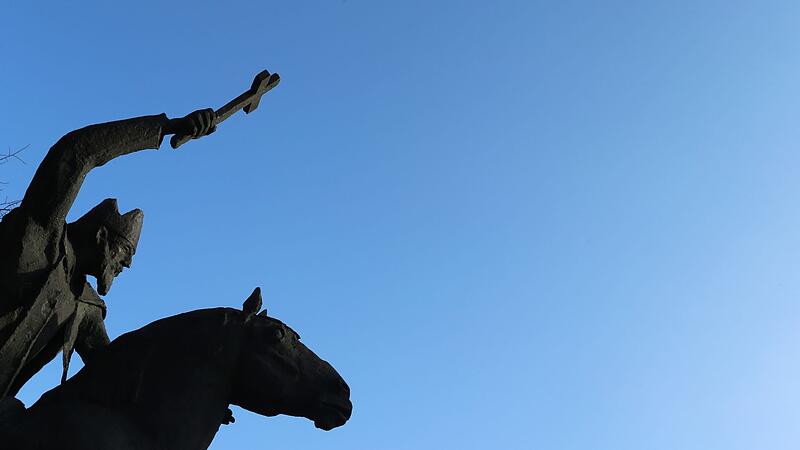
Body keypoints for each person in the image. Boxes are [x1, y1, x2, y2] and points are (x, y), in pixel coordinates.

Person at [0, 108, 216, 404]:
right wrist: (164, 128)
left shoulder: (85, 305)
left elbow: (115, 370)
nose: (126, 264)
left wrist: (191, 398)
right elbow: (77, 151)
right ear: (101, 236)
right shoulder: (41, 233)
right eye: (124, 253)